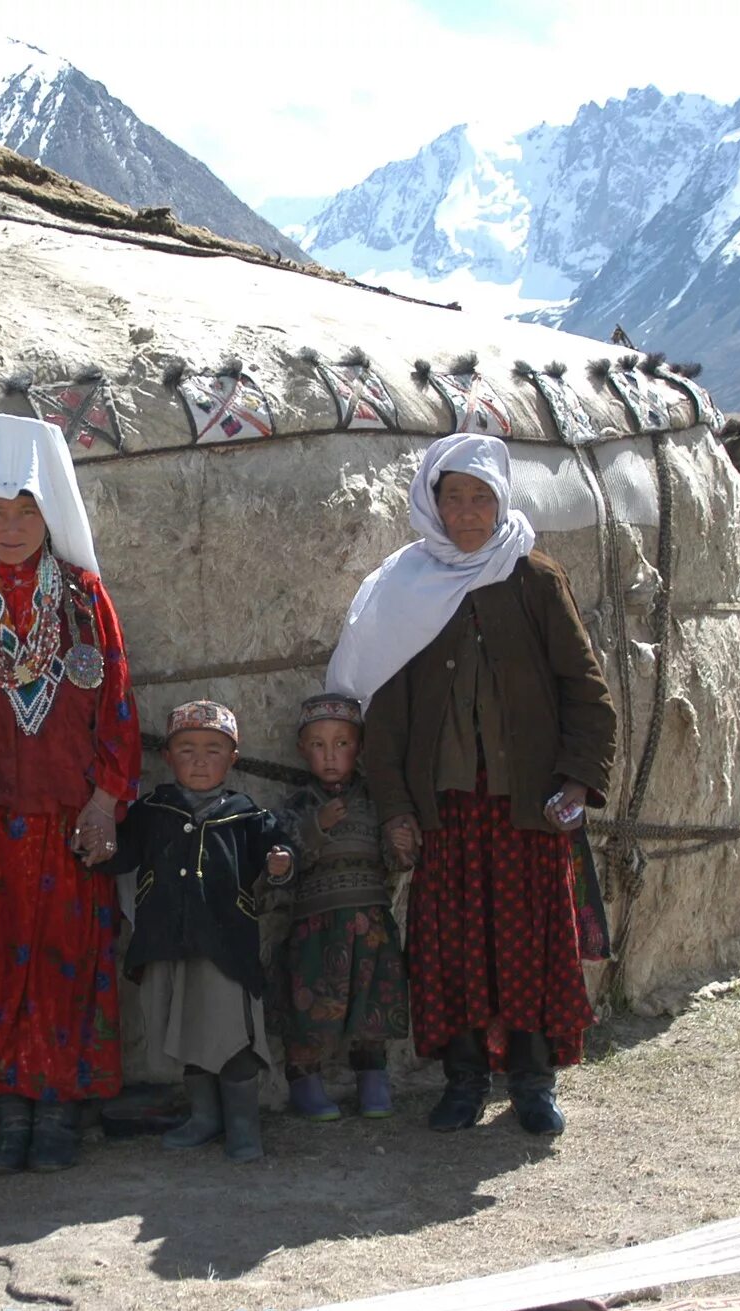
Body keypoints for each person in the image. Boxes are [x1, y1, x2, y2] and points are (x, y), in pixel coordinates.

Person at [327, 433, 615, 1137]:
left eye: (481, 495)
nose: (466, 511)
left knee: (529, 944)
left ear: (502, 498)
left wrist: (578, 779)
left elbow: (586, 691)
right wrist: (397, 808)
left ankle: (531, 1078)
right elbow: (385, 716)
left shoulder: (534, 577)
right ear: (431, 499)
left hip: (529, 807)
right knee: (450, 948)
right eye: (452, 495)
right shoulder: (405, 587)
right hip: (446, 810)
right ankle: (462, 1079)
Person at [0, 414, 140, 1175]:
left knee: (65, 961)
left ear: (53, 513)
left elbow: (116, 704)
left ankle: (60, 1109)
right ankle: (10, 1108)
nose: (10, 528)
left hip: (69, 821)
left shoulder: (83, 598)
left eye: (27, 511)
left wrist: (109, 800)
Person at [90, 701, 292, 1163]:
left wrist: (281, 861)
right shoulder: (151, 811)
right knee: (184, 1027)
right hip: (167, 940)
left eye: (213, 750)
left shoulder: (245, 816)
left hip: (224, 945)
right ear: (168, 756)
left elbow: (277, 854)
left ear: (232, 758)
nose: (200, 760)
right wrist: (95, 844)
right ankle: (205, 1117)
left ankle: (244, 1124)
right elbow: (121, 856)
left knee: (232, 1034)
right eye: (187, 750)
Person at [273, 692, 407, 1122]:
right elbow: (284, 859)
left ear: (360, 747)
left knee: (374, 1003)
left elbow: (393, 860)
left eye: (342, 744)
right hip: (317, 926)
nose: (330, 756)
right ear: (301, 750)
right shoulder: (297, 805)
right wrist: (318, 827)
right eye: (317, 745)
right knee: (310, 1003)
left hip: (371, 923)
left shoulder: (377, 802)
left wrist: (402, 847)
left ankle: (373, 1080)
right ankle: (305, 1084)